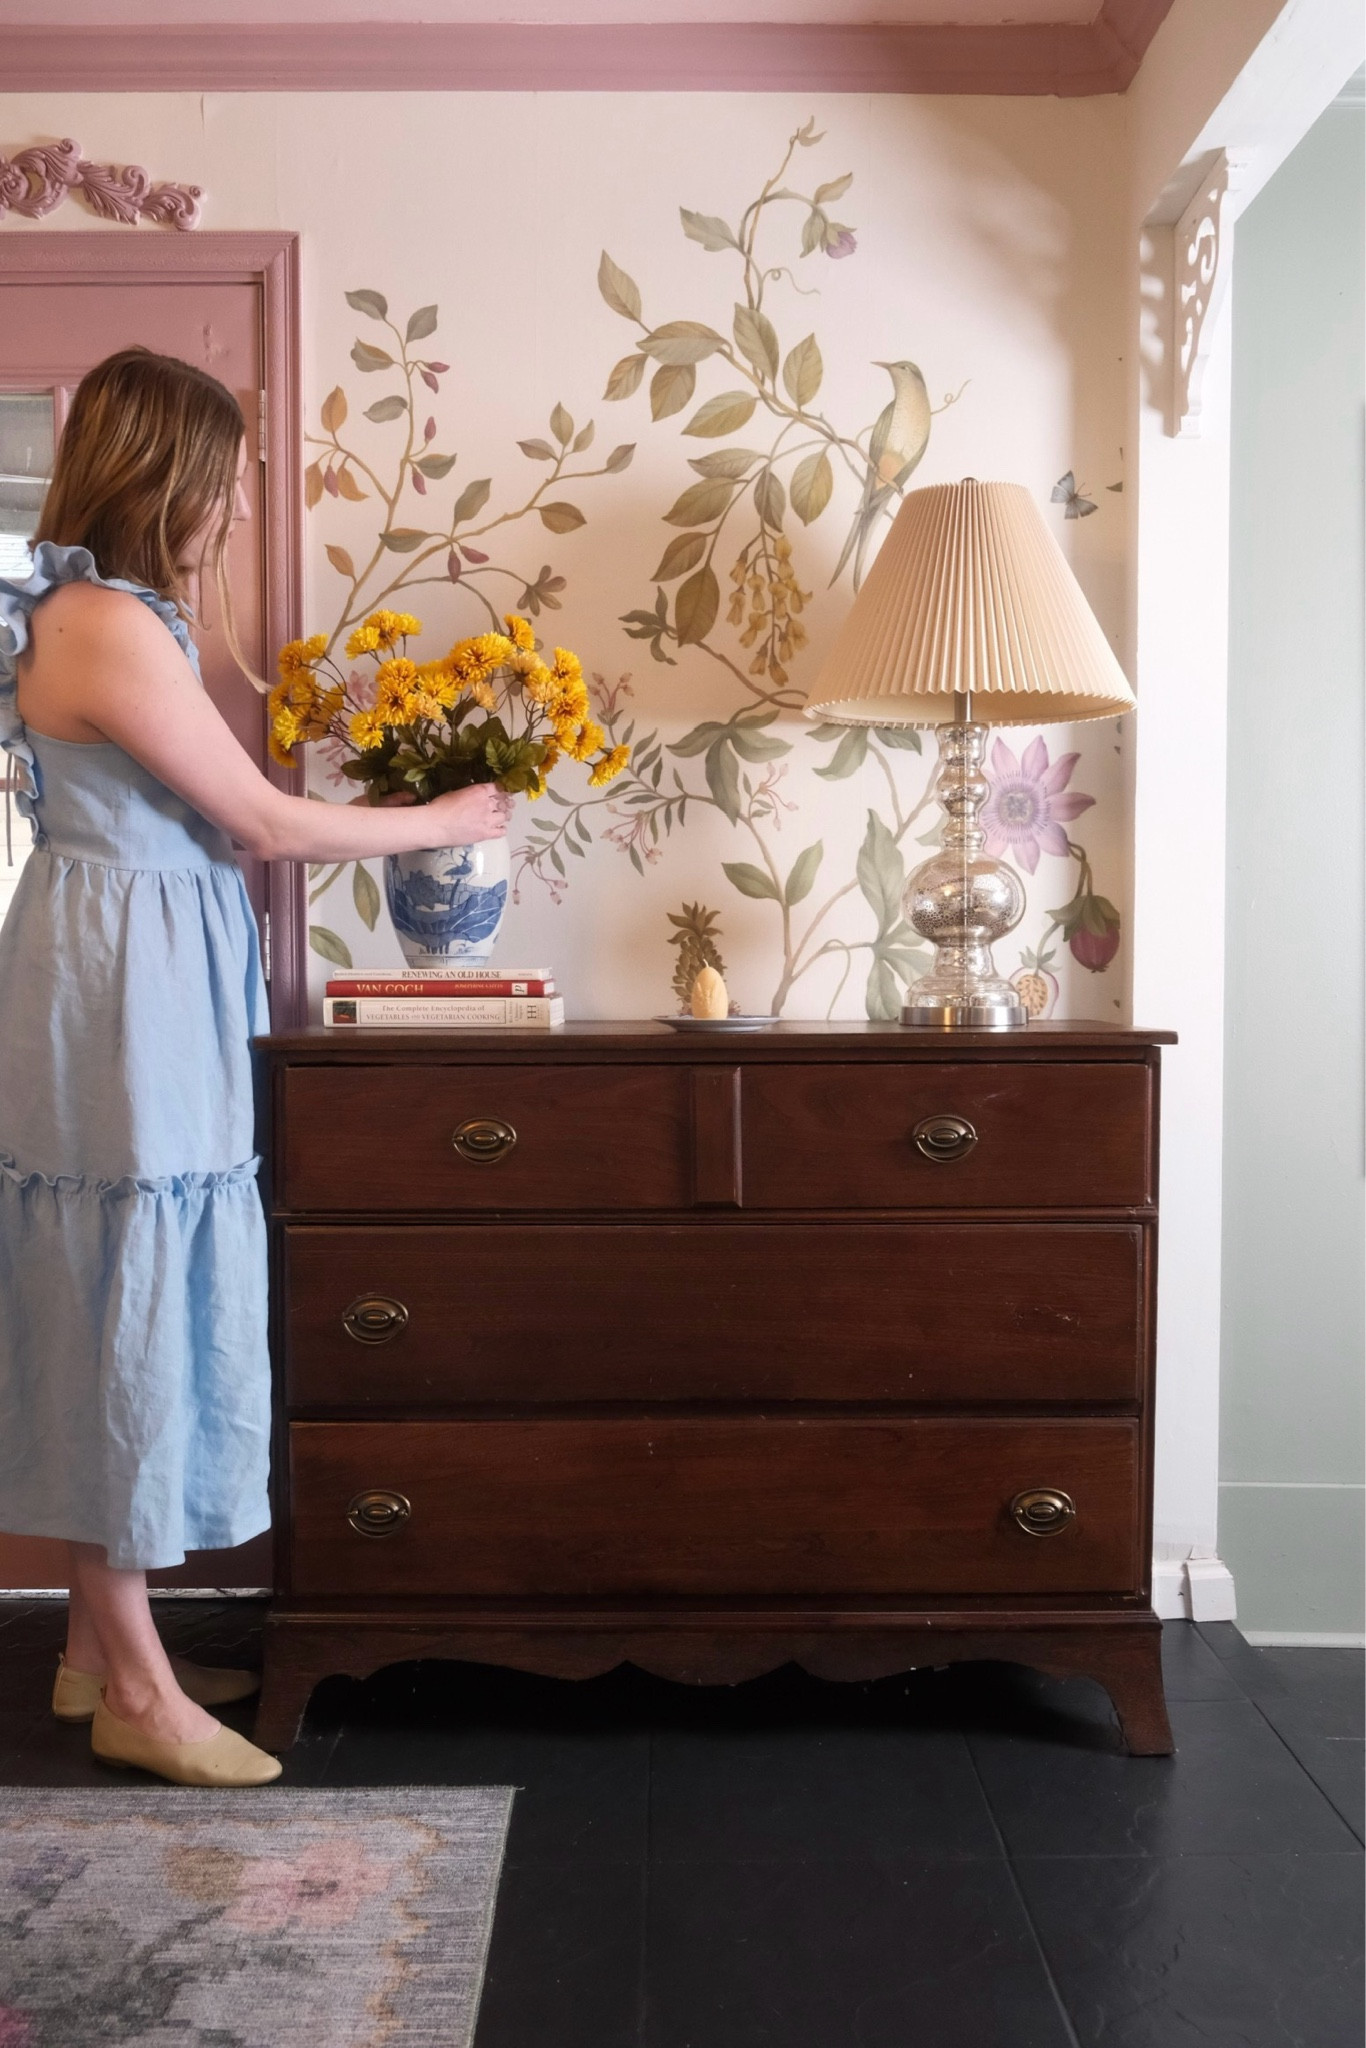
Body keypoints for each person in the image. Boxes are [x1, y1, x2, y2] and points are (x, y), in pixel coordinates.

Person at [0, 348, 509, 1786]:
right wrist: (439, 817)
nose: (234, 505)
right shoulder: (100, 617)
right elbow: (260, 824)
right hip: (117, 985)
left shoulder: (104, 615)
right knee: (121, 1292)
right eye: (224, 476)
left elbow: (212, 825)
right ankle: (140, 1695)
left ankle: (100, 1647)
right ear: (172, 470)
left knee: (132, 1277)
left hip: (137, 964)